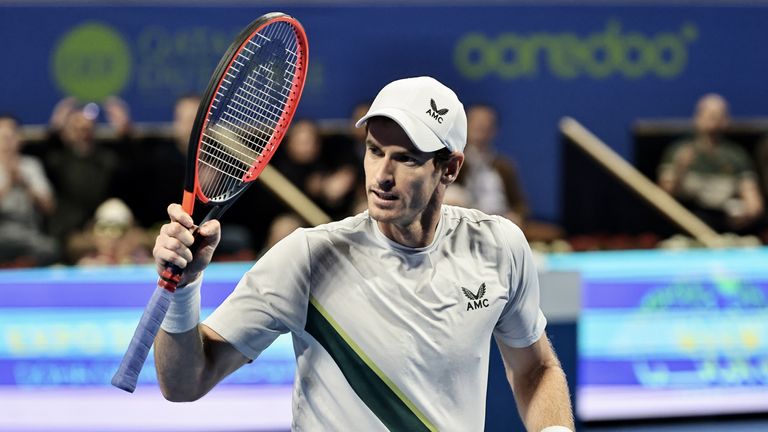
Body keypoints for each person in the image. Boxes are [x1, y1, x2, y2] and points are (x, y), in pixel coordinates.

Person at [152, 77, 574, 431]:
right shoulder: (308, 257)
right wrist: (183, 290)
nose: (382, 176)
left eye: (406, 159)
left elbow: (536, 369)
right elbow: (184, 382)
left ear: (449, 168)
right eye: (375, 151)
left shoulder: (497, 246)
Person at [657, 93, 765, 233]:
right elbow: (662, 198)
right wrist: (680, 170)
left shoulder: (737, 156)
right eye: (709, 114)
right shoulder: (679, 152)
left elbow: (754, 203)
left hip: (726, 229)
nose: (714, 119)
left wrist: (745, 215)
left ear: (726, 120)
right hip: (687, 228)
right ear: (697, 118)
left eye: (719, 115)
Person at [0, 115, 58, 266]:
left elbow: (49, 208)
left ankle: (17, 269)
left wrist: (25, 184)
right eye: (3, 137)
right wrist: (8, 182)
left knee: (50, 248)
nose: (7, 142)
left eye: (11, 137)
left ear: (20, 139)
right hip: (2, 231)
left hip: (29, 233)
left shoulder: (31, 165)